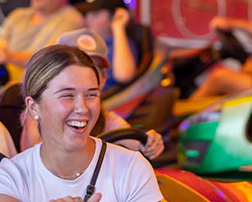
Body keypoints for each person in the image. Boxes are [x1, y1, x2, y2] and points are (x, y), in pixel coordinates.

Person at [0, 45, 163, 202]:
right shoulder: (6, 179)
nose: (83, 108)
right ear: (33, 106)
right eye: (67, 95)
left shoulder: (132, 168)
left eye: (91, 95)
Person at [16, 29, 166, 159]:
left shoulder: (105, 118)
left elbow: (131, 139)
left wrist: (149, 143)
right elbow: (45, 156)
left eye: (94, 68)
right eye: (75, 65)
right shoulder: (39, 114)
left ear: (102, 78)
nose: (85, 75)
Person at [76, 0, 139, 90]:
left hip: (107, 102)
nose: (88, 19)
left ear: (115, 16)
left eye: (95, 14)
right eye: (86, 14)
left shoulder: (122, 44)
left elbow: (124, 76)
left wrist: (118, 27)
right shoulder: (82, 41)